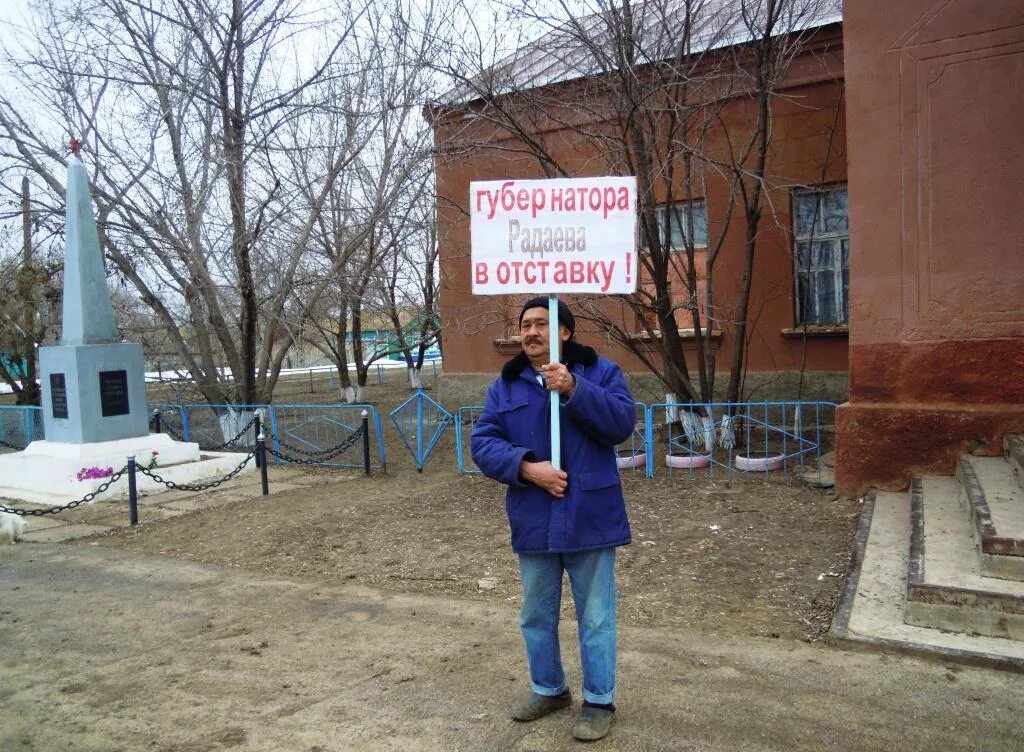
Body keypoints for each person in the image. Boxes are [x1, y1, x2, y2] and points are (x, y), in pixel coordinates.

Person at [470, 296, 635, 742]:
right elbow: (483, 441)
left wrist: (574, 390)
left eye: (542, 323)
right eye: (525, 325)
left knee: (596, 616)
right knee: (536, 615)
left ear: (564, 332)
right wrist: (526, 468)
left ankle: (599, 700)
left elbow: (621, 423)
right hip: (535, 516)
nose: (531, 332)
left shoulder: (599, 373)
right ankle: (549, 689)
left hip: (589, 516)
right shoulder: (506, 385)